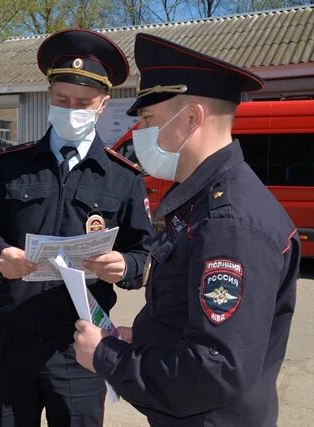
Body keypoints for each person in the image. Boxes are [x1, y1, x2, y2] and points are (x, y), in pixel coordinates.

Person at [73, 33, 300, 427]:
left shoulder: (228, 223)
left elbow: (215, 371)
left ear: (192, 117)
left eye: (149, 119)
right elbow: (190, 320)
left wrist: (108, 357)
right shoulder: (203, 202)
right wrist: (141, 339)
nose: (140, 131)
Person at [0, 29, 154, 427]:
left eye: (83, 103)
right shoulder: (12, 164)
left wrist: (126, 266)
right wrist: (0, 257)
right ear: (48, 98)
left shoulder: (123, 177)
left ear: (103, 103)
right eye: (62, 100)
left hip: (80, 345)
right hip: (12, 339)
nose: (72, 109)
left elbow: (144, 252)